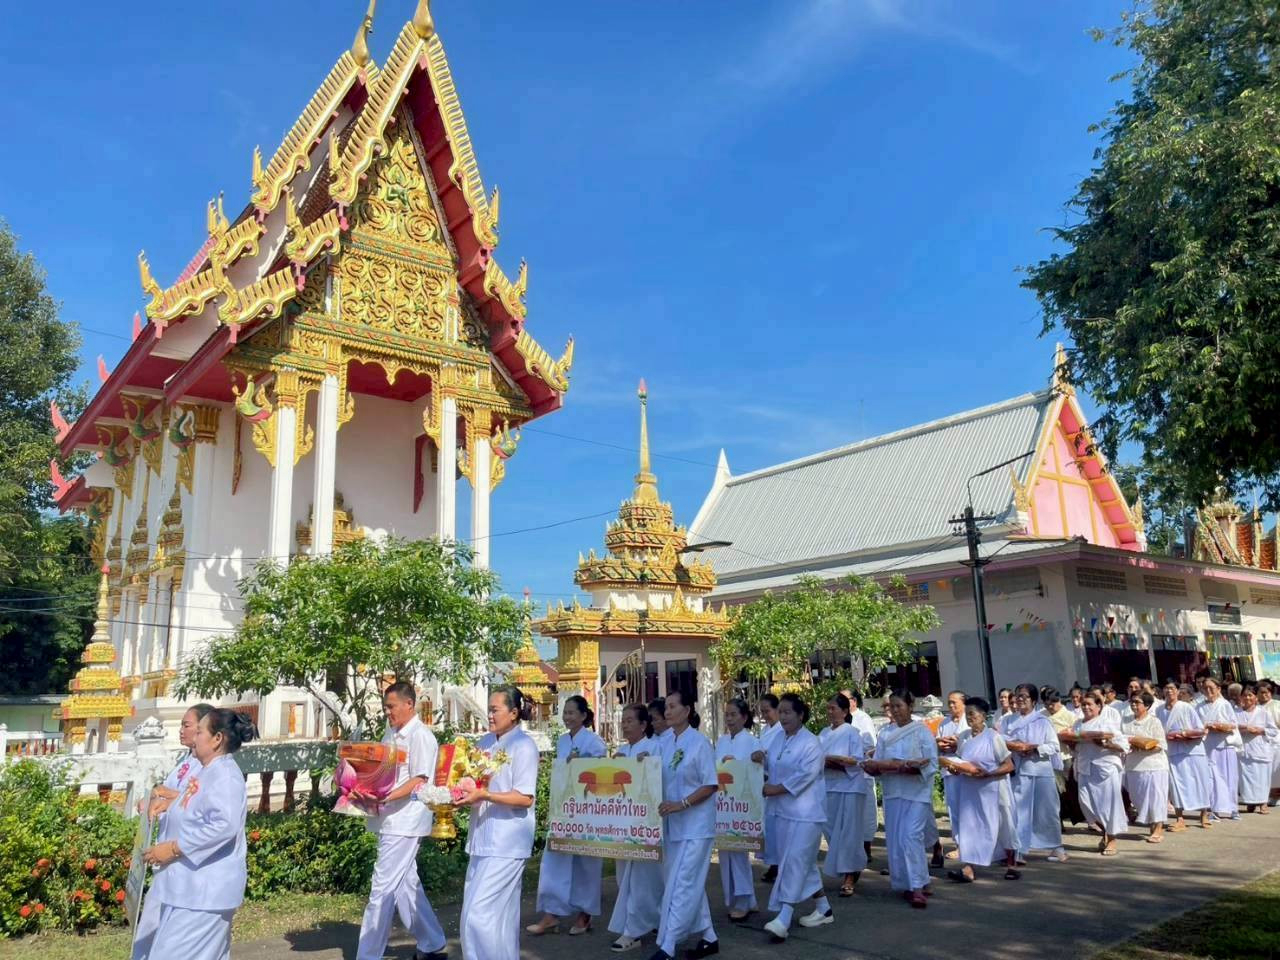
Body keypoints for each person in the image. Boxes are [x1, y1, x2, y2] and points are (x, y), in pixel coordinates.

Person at [137, 708, 256, 960]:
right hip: (188, 890)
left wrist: (173, 848)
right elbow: (197, 808)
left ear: (217, 739)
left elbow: (224, 824)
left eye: (200, 731)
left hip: (205, 893)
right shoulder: (207, 770)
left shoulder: (225, 775)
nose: (195, 736)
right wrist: (168, 804)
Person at [351, 683, 447, 960]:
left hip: (406, 820)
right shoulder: (390, 734)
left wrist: (385, 797)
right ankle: (432, 942)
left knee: (382, 888)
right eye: (385, 707)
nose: (387, 712)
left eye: (391, 706)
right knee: (406, 885)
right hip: (389, 816)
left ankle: (368, 955)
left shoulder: (421, 736)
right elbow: (382, 773)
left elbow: (419, 780)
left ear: (409, 704)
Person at [456, 687, 538, 960]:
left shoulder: (524, 746)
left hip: (507, 841)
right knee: (498, 918)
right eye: (489, 710)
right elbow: (473, 783)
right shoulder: (484, 742)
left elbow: (525, 797)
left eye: (495, 710)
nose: (489, 715)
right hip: (481, 837)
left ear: (513, 713)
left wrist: (486, 795)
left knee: (478, 916)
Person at [134, 699, 216, 960]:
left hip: (184, 857)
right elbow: (175, 796)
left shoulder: (213, 768)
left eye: (188, 726)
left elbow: (196, 801)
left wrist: (163, 795)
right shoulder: (187, 760)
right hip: (167, 855)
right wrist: (154, 798)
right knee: (153, 926)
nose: (182, 731)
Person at [649, 690, 719, 960]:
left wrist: (682, 804)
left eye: (673, 706)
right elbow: (654, 772)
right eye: (666, 707)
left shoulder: (700, 743)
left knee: (682, 884)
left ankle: (668, 944)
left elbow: (710, 785)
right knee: (687, 882)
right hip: (673, 827)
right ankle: (709, 937)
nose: (667, 711)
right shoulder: (665, 743)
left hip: (697, 827)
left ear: (687, 710)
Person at [530, 694, 606, 936]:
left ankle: (585, 913)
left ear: (583, 716)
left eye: (572, 712)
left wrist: (580, 763)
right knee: (555, 859)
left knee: (586, 863)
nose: (567, 717)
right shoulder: (563, 741)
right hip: (564, 808)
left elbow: (602, 773)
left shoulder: (595, 742)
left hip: (589, 809)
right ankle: (551, 913)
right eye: (565, 712)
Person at [762, 693, 832, 942]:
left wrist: (775, 789)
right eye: (780, 712)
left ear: (800, 715)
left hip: (806, 814)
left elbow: (805, 776)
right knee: (801, 862)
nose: (782, 717)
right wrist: (760, 761)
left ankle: (784, 916)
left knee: (793, 862)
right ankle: (824, 908)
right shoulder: (777, 739)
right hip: (782, 812)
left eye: (787, 712)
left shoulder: (811, 743)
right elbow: (772, 766)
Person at [863, 689, 937, 908]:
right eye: (891, 706)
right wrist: (872, 767)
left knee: (910, 837)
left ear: (910, 706)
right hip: (893, 792)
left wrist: (908, 766)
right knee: (897, 840)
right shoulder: (885, 733)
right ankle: (915, 882)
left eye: (899, 706)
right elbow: (877, 763)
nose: (894, 710)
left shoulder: (921, 731)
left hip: (917, 793)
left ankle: (917, 888)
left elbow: (931, 763)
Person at [945, 697, 1018, 882]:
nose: (970, 718)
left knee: (1003, 825)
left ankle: (1011, 864)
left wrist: (989, 773)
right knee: (971, 827)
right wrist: (954, 769)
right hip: (970, 790)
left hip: (994, 788)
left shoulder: (994, 737)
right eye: (967, 714)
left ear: (983, 716)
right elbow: (960, 761)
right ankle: (968, 869)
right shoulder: (963, 737)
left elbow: (1009, 765)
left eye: (973, 714)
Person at [609, 704, 663, 953]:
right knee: (624, 878)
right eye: (623, 720)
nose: (625, 724)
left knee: (643, 880)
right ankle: (645, 921)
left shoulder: (654, 748)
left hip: (644, 826)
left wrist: (647, 765)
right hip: (622, 825)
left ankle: (634, 930)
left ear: (643, 725)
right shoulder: (621, 751)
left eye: (630, 720)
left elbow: (659, 781)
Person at [1004, 684, 1065, 862]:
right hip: (1019, 770)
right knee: (1019, 811)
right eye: (1017, 696)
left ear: (1033, 700)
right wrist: (1014, 746)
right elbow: (1000, 741)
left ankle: (1056, 847)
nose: (1020, 699)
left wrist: (1035, 748)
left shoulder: (1043, 721)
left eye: (1024, 696)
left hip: (1041, 770)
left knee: (1047, 811)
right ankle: (1019, 850)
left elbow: (1053, 746)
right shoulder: (1008, 721)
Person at [818, 693, 871, 897]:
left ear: (845, 711)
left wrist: (835, 762)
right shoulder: (823, 733)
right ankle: (848, 866)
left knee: (849, 832)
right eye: (828, 708)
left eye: (834, 708)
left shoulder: (852, 732)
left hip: (850, 787)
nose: (830, 712)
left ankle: (850, 875)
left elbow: (856, 762)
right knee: (831, 831)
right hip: (828, 787)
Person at [714, 699, 762, 922]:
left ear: (744, 717)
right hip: (724, 804)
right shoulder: (721, 741)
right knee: (726, 853)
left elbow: (758, 770)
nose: (730, 719)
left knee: (739, 852)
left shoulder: (752, 741)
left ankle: (743, 899)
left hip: (742, 806)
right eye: (727, 714)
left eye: (734, 714)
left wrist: (739, 763)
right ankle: (742, 899)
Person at [1063, 692, 1128, 855]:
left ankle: (1111, 839)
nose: (1086, 707)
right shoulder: (1078, 724)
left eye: (1089, 704)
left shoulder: (1106, 722)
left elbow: (1123, 746)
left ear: (1099, 706)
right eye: (1083, 704)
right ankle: (1105, 831)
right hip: (1084, 767)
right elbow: (1075, 746)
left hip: (1105, 768)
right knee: (1085, 803)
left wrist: (1106, 745)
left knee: (1108, 805)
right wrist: (1071, 743)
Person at [1156, 681, 1213, 830]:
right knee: (1176, 785)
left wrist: (1185, 734)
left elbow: (1200, 729)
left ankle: (1204, 815)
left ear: (1177, 691)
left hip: (1192, 751)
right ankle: (1179, 818)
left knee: (1199, 782)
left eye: (1172, 688)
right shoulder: (1159, 710)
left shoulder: (1186, 707)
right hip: (1172, 751)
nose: (1169, 691)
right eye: (1166, 688)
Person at [1123, 691, 1170, 843]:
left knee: (1156, 798)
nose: (1133, 705)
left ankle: (1158, 828)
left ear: (1147, 705)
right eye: (1132, 702)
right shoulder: (1125, 721)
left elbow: (1161, 745)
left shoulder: (1154, 722)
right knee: (1138, 798)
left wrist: (1143, 746)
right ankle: (1152, 823)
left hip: (1154, 766)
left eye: (1137, 702)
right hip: (1133, 766)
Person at [1197, 677, 1240, 821]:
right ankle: (1214, 809)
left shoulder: (1224, 704)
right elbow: (1196, 725)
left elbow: (1233, 724)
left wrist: (1219, 726)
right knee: (1212, 779)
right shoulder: (1198, 706)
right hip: (1208, 746)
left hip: (1225, 745)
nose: (1208, 690)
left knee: (1229, 777)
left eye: (1211, 688)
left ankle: (1233, 808)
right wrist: (1205, 727)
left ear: (1218, 689)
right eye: (1205, 688)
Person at [845, 691, 879, 862]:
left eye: (845, 699)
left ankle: (866, 847)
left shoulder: (863, 718)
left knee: (866, 812)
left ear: (854, 701)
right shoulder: (840, 720)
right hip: (844, 774)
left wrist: (850, 755)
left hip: (862, 771)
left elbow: (869, 745)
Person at [934, 690, 967, 861]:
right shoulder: (944, 723)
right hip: (948, 768)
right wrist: (942, 744)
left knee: (969, 809)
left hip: (966, 769)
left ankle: (974, 844)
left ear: (964, 703)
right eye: (949, 702)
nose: (951, 705)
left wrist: (957, 744)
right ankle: (960, 845)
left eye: (955, 702)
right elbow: (937, 743)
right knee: (953, 809)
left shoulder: (969, 720)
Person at [1235, 684, 1277, 814]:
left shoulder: (1263, 712)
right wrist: (1243, 728)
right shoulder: (1236, 712)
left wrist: (1260, 730)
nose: (1247, 698)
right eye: (1245, 695)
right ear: (1241, 697)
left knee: (1262, 778)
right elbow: (1232, 728)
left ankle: (1263, 803)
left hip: (1260, 750)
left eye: (1250, 695)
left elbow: (1273, 730)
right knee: (1246, 778)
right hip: (1244, 751)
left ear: (1255, 697)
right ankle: (1250, 802)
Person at [755, 693, 783, 883]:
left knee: (777, 828)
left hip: (777, 783)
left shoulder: (782, 730)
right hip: (763, 782)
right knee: (768, 827)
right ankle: (773, 864)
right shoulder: (765, 730)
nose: (765, 715)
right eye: (762, 712)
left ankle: (780, 865)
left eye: (767, 711)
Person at [1257, 680, 1280, 807]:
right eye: (1261, 692)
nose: (1264, 695)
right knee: (1264, 770)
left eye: (1267, 692)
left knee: (1276, 770)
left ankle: (1276, 795)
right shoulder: (1254, 706)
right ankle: (1264, 795)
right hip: (1260, 741)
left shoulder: (1277, 705)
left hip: (1276, 740)